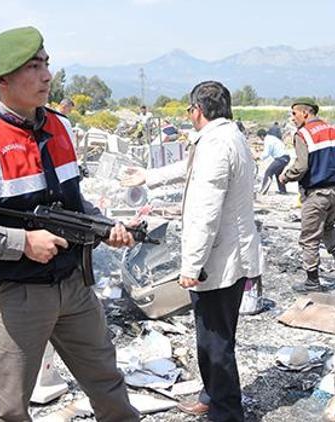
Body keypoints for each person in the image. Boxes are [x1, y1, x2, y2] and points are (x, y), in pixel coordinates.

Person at [0, 27, 139, 421]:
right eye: (32, 66)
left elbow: (73, 202)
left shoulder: (60, 127)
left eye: (46, 63)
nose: (46, 75)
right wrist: (22, 242)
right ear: (2, 81)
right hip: (17, 297)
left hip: (74, 287)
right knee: (9, 409)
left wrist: (100, 226)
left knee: (108, 385)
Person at [122, 81, 262, 421]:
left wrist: (191, 265)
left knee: (215, 341)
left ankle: (226, 412)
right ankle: (211, 395)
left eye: (189, 110)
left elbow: (205, 210)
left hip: (218, 259)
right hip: (231, 253)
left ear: (196, 111)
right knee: (213, 333)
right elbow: (189, 169)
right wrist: (148, 177)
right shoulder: (228, 136)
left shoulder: (215, 144)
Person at [279, 97, 335, 292]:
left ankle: (312, 281)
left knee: (309, 237)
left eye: (294, 114)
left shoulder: (303, 134)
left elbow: (301, 166)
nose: (293, 118)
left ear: (305, 113)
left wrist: (285, 177)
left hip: (317, 193)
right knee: (328, 226)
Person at [255, 127, 290, 194]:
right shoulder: (271, 138)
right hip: (285, 157)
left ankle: (263, 190)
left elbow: (266, 153)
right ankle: (283, 191)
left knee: (268, 172)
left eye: (260, 137)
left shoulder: (267, 140)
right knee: (278, 173)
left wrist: (258, 158)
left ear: (262, 136)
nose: (260, 139)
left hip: (281, 158)